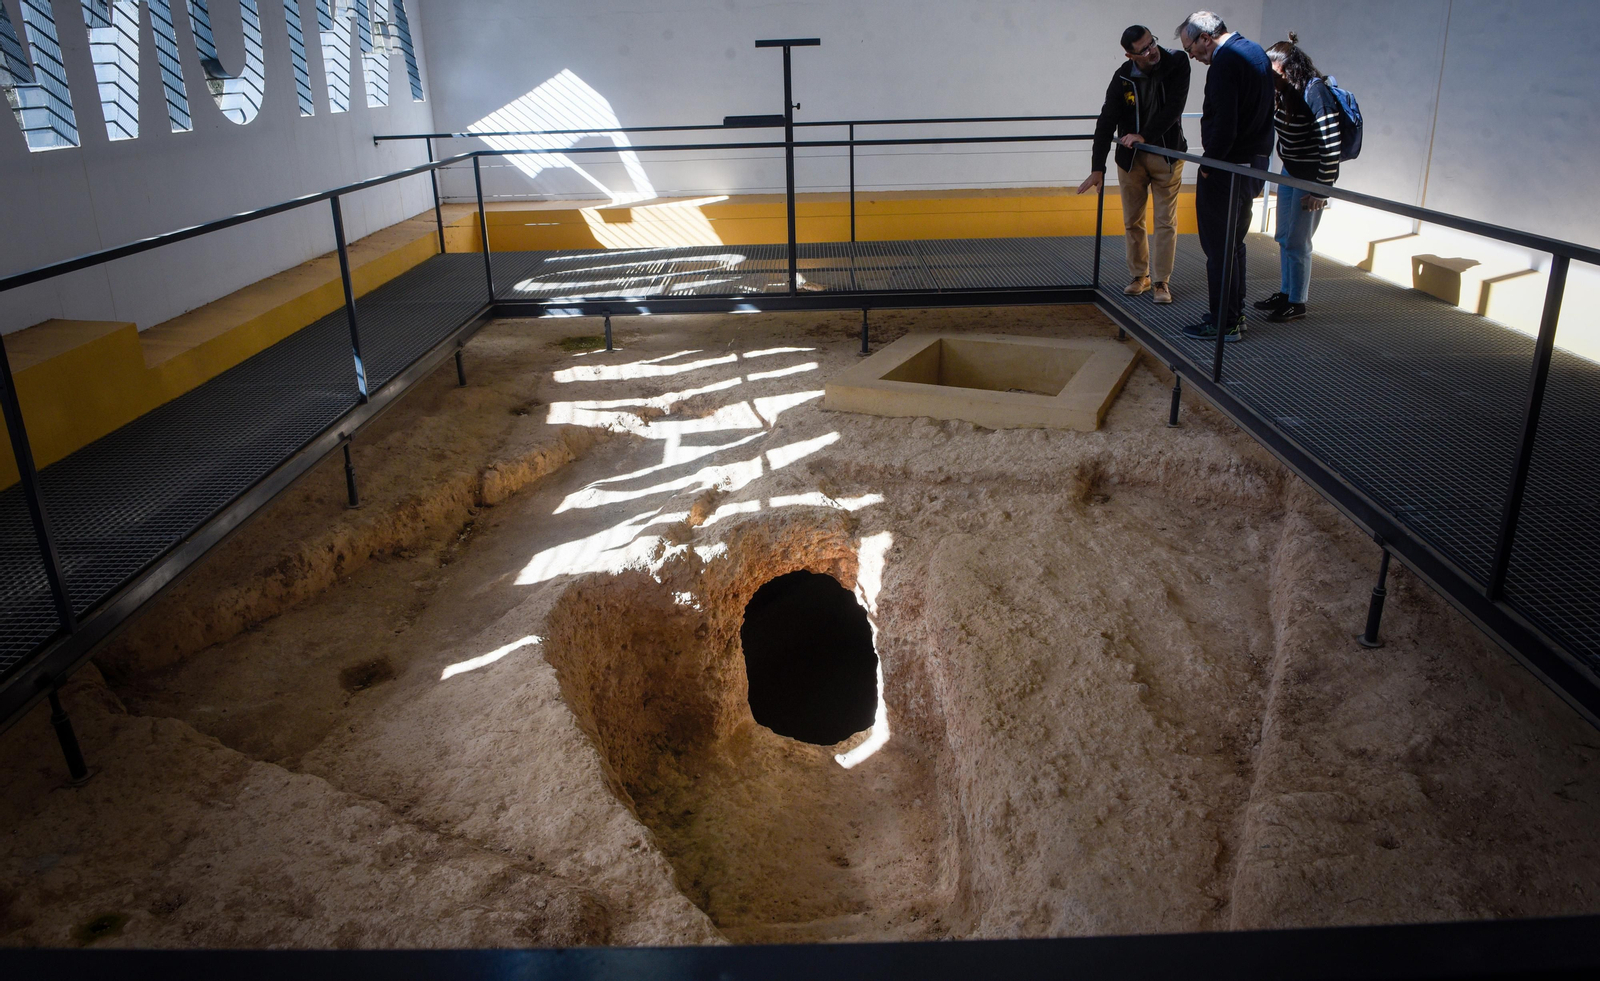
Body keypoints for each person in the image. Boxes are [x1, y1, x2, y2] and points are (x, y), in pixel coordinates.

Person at [1175, 11, 1275, 343]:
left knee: (1219, 247)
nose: (1192, 55)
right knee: (1234, 244)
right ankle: (1234, 315)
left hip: (1228, 167)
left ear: (1206, 38)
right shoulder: (1256, 52)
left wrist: (1208, 165)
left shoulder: (1225, 62)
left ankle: (1225, 323)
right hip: (1253, 163)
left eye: (1191, 47)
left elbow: (1224, 124)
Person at [1077, 25, 1191, 306]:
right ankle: (1140, 276)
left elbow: (1174, 107)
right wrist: (1097, 168)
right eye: (1144, 50)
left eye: (1152, 43)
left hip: (1167, 155)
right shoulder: (1122, 77)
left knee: (1165, 222)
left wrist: (1145, 136)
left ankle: (1163, 281)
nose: (1152, 51)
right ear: (1130, 54)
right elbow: (1106, 121)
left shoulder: (1177, 62)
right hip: (1130, 161)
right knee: (1132, 221)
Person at [1253, 33, 1342, 322]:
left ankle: (1297, 302)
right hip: (1289, 171)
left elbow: (1331, 146)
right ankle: (1286, 292)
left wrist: (1321, 190)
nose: (1271, 80)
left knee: (1298, 241)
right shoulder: (1283, 91)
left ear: (1291, 70)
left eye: (1275, 74)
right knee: (1283, 236)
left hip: (1309, 178)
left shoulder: (1315, 92)